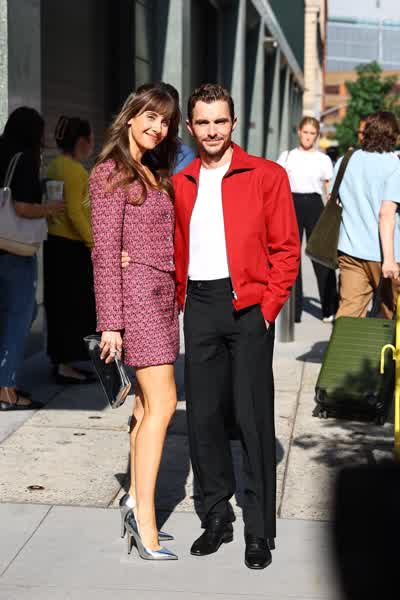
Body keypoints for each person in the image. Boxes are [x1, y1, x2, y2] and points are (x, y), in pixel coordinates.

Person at [123, 83, 300, 569]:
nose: (213, 130)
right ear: (190, 127)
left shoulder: (266, 175)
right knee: (203, 418)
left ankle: (258, 529)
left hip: (249, 308)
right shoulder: (180, 181)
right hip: (199, 306)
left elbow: (287, 249)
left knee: (251, 417)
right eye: (203, 122)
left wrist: (267, 310)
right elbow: (165, 239)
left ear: (233, 123)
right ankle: (216, 517)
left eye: (220, 121)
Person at [89, 85, 181, 560]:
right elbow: (104, 252)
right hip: (137, 300)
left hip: (161, 299)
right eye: (150, 116)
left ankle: (132, 499)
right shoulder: (110, 172)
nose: (157, 127)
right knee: (164, 404)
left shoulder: (153, 170)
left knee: (146, 408)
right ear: (130, 116)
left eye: (165, 121)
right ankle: (144, 518)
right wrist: (111, 323)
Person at [0, 107, 64, 410]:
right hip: (15, 251)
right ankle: (6, 389)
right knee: (19, 317)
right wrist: (50, 208)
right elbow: (23, 208)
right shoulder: (23, 158)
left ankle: (5, 380)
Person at [43, 117, 97, 384]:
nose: (92, 144)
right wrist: (93, 243)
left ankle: (62, 362)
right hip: (72, 248)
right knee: (74, 307)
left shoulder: (54, 165)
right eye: (91, 139)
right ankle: (66, 366)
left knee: (59, 306)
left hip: (54, 243)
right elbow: (76, 212)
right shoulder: (75, 171)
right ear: (82, 141)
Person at [334, 111, 400, 318]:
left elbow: (334, 200)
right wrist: (389, 260)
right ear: (392, 135)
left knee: (349, 313)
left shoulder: (345, 161)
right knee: (393, 313)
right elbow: (386, 214)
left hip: (350, 251)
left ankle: (344, 341)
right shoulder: (395, 165)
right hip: (386, 255)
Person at [278, 117, 338, 323]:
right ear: (299, 132)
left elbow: (329, 188)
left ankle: (329, 308)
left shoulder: (323, 160)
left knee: (321, 256)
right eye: (305, 132)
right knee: (291, 257)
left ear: (317, 136)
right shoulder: (287, 156)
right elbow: (277, 183)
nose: (308, 137)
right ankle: (293, 310)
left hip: (315, 205)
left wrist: (333, 210)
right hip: (291, 204)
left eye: (312, 133)